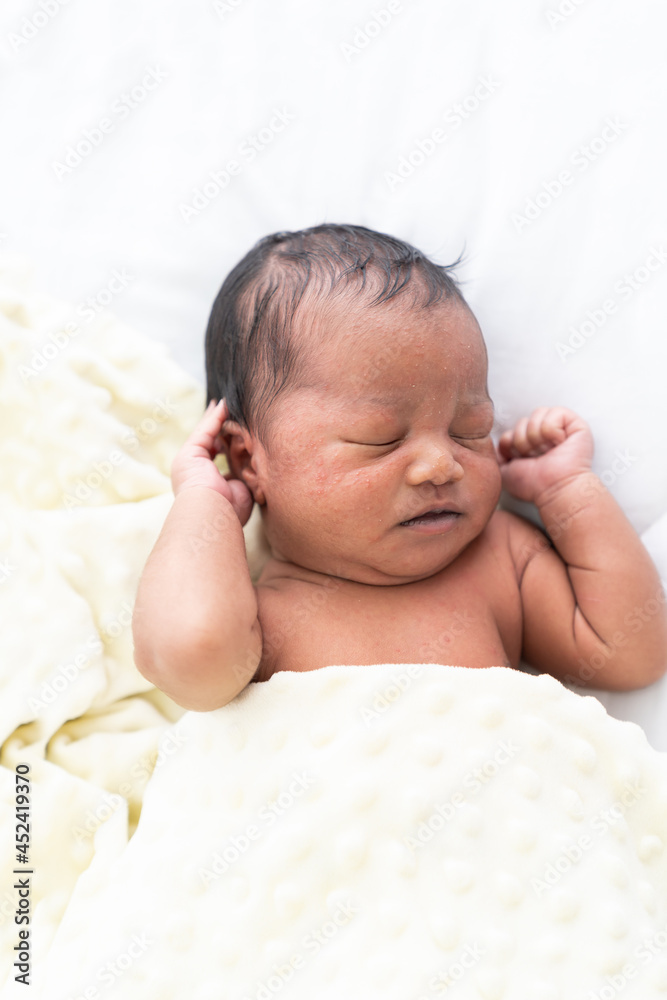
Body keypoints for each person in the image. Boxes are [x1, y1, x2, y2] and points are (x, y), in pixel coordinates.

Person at [131, 224, 667, 710]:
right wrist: (204, 504)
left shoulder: (498, 559)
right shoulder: (257, 613)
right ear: (249, 460)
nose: (441, 465)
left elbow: (630, 652)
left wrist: (567, 489)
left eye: (471, 430)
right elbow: (191, 654)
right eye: (381, 439)